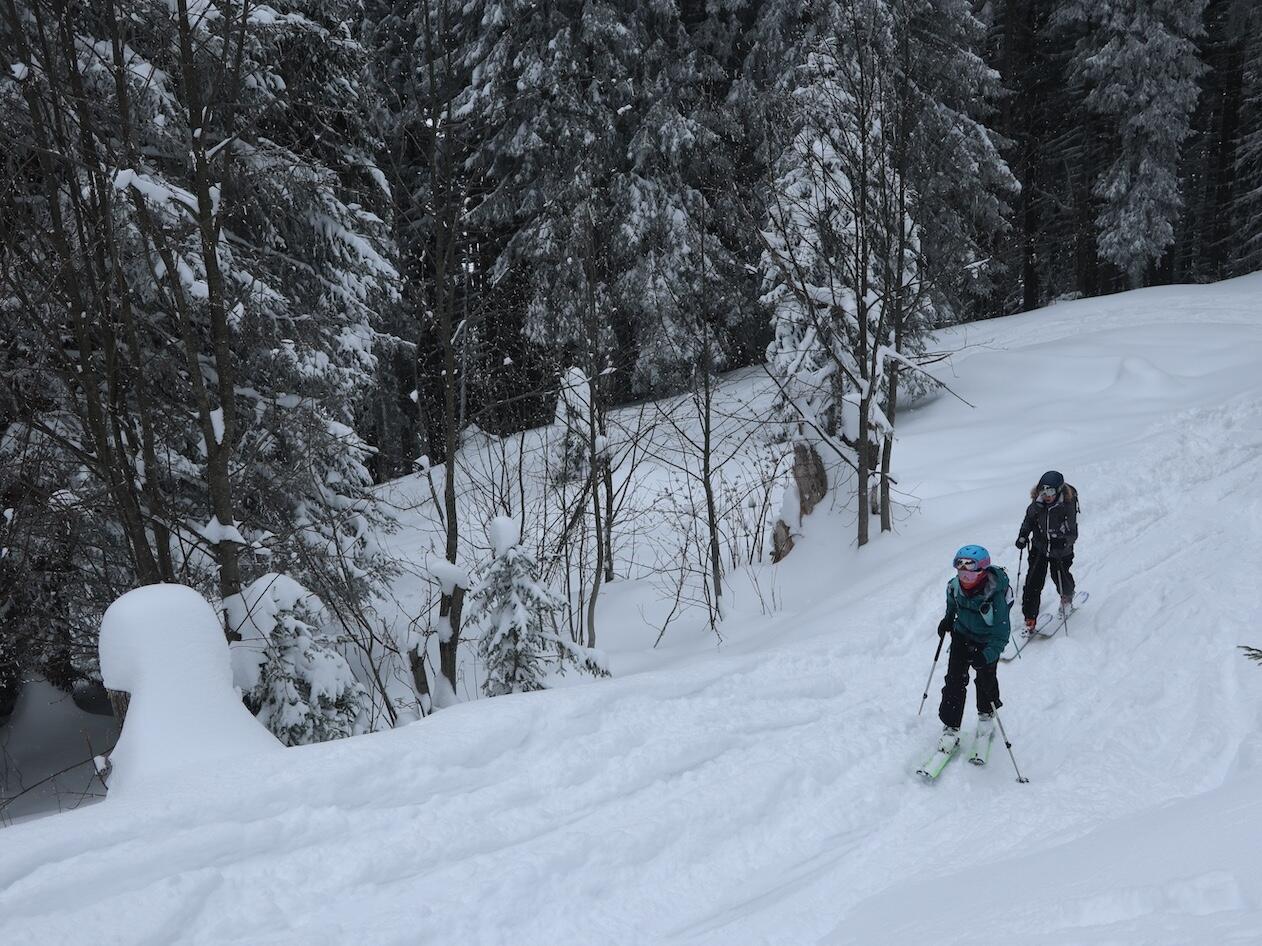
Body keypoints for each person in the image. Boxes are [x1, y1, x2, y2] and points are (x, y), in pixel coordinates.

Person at [933, 545, 1013, 752]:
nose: (965, 579)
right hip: (962, 635)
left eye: (970, 574)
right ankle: (951, 728)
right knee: (954, 680)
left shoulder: (995, 595)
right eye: (961, 573)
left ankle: (986, 716)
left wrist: (987, 656)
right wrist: (948, 619)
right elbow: (952, 604)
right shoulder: (954, 586)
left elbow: (1001, 634)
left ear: (982, 572)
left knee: (986, 680)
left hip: (987, 641)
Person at [1014, 470, 1079, 634]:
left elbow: (1072, 532)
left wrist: (1063, 541)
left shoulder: (1067, 505)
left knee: (1061, 576)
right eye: (1043, 491)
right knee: (1032, 583)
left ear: (1058, 490)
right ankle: (1029, 618)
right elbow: (1028, 520)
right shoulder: (1037, 504)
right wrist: (1023, 535)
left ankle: (1067, 598)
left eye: (1050, 492)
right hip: (1039, 548)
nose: (1046, 496)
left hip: (1061, 551)